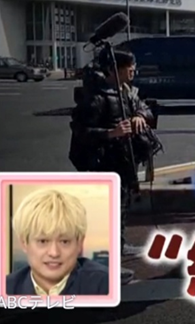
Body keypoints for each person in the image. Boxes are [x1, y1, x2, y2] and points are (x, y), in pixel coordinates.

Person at [69, 49, 157, 283]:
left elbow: (146, 109)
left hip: (123, 160)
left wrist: (140, 115)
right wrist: (111, 133)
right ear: (113, 70)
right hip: (102, 161)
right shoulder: (96, 96)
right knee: (106, 214)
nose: (133, 71)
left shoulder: (127, 91)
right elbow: (80, 130)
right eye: (129, 68)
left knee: (121, 206)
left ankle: (119, 245)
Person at [5, 189, 109, 296]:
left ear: (79, 243)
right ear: (24, 243)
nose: (54, 253)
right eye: (43, 241)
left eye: (64, 242)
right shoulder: (4, 289)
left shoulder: (107, 285)